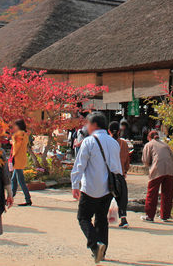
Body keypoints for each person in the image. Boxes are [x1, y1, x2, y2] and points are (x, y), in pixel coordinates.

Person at [71, 112, 123, 264]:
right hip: (108, 188)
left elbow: (79, 165)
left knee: (83, 217)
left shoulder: (88, 142)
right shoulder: (114, 142)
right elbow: (116, 167)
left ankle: (95, 246)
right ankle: (103, 251)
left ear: (94, 125)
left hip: (91, 187)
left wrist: (75, 184)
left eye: (88, 124)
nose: (87, 127)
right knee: (101, 220)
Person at [141, 130, 173, 222]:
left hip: (157, 170)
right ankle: (165, 216)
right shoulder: (165, 145)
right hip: (170, 170)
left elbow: (145, 161)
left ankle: (149, 215)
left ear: (149, 137)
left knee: (152, 193)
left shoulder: (149, 145)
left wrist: (150, 166)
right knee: (167, 193)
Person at [108, 121, 130, 228]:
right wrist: (125, 170)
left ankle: (103, 218)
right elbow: (127, 161)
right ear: (120, 131)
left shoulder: (106, 143)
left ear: (109, 131)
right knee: (122, 197)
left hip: (108, 175)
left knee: (105, 197)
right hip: (120, 174)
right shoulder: (124, 144)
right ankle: (123, 218)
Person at [10, 119, 32, 207]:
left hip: (18, 158)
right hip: (21, 158)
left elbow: (16, 147)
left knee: (20, 180)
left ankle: (27, 199)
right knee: (14, 179)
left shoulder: (18, 134)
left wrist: (12, 156)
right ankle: (11, 196)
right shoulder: (25, 134)